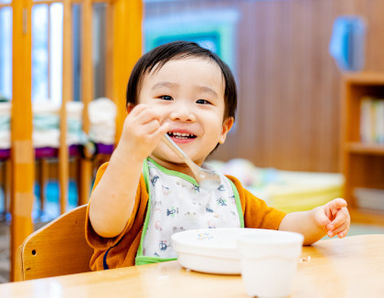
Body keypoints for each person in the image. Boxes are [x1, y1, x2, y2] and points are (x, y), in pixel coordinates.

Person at [86, 41, 350, 271]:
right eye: (165, 97)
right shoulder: (129, 176)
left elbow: (282, 228)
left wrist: (316, 219)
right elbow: (105, 224)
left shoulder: (229, 192)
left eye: (202, 102)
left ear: (224, 128)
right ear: (133, 114)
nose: (183, 113)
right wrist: (129, 153)